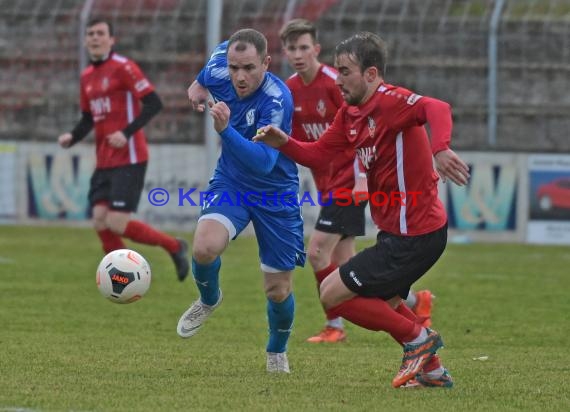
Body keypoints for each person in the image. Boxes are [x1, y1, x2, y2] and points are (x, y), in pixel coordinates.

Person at [254, 32, 469, 388]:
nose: (338, 80)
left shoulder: (391, 101)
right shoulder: (349, 114)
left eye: (345, 72)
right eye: (337, 71)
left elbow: (438, 108)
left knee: (333, 294)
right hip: (400, 233)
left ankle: (419, 339)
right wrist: (284, 142)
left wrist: (440, 148)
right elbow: (318, 154)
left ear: (371, 74)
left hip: (414, 233)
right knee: (385, 299)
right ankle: (433, 372)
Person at [279, 19, 434, 343]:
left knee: (318, 253)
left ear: (316, 50)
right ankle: (414, 302)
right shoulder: (290, 88)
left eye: (304, 47)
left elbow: (364, 130)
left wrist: (362, 178)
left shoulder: (339, 81)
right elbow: (314, 147)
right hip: (327, 185)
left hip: (348, 184)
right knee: (344, 264)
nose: (297, 54)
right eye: (291, 48)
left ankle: (335, 326)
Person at [176, 29, 305, 374]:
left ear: (266, 62)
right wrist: (198, 81)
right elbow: (214, 61)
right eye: (234, 68)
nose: (239, 76)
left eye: (249, 68)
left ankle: (276, 351)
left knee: (277, 289)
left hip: (274, 192)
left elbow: (263, 161)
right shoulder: (221, 67)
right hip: (232, 181)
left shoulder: (277, 99)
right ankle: (208, 299)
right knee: (204, 247)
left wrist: (225, 131)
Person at [58, 18, 189, 282]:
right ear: (85, 41)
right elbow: (88, 118)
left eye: (100, 33)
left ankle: (174, 246)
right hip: (104, 160)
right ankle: (123, 276)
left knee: (116, 222)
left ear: (111, 39)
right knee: (99, 220)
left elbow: (154, 103)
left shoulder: (124, 67)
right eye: (90, 34)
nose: (95, 38)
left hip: (130, 158)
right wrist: (72, 136)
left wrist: (126, 133)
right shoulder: (86, 77)